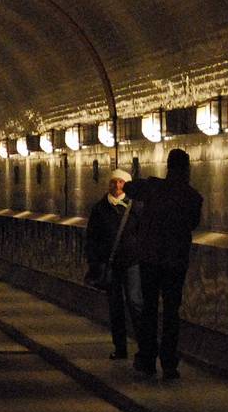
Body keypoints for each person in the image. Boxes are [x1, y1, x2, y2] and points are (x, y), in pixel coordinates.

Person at [125, 148, 202, 380]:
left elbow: (129, 188)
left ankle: (147, 359)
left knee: (149, 309)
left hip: (150, 259)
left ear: (168, 166)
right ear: (187, 169)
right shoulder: (193, 197)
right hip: (175, 262)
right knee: (171, 312)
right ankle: (169, 363)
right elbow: (192, 225)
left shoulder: (153, 188)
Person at [84, 168, 140, 360]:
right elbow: (92, 238)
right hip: (111, 264)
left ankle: (143, 347)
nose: (117, 186)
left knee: (135, 303)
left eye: (121, 183)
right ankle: (120, 348)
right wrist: (95, 262)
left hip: (132, 262)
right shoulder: (100, 209)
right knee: (115, 307)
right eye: (114, 182)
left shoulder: (136, 207)